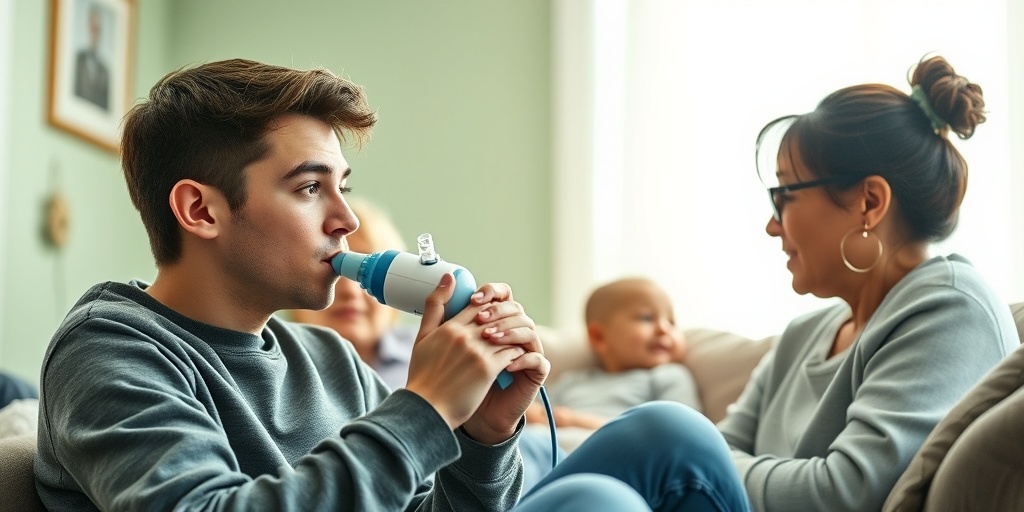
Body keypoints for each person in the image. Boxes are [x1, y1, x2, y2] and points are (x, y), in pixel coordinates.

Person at [35, 58, 731, 512]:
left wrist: (485, 437)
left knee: (671, 434)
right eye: (310, 188)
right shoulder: (111, 349)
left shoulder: (325, 361)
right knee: (595, 504)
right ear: (201, 210)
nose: (345, 221)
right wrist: (425, 408)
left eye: (344, 187)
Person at [575, 54, 1016, 512]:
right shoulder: (801, 337)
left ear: (869, 202)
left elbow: (845, 493)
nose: (771, 225)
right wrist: (695, 461)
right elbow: (718, 448)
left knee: (660, 435)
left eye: (785, 194)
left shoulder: (950, 309)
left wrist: (684, 459)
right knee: (599, 494)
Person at [526, 277, 700, 450]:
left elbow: (679, 434)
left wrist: (574, 420)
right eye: (647, 318)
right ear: (599, 337)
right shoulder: (572, 380)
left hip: (615, 451)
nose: (664, 329)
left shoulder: (669, 375)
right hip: (549, 448)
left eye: (671, 322)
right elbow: (532, 413)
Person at [290, 197, 416, 391]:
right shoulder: (278, 377)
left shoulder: (437, 358)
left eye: (368, 272)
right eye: (333, 269)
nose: (350, 290)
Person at [73, 3, 111, 110]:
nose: (95, 34)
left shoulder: (105, 71)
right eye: (92, 28)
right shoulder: (77, 60)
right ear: (88, 28)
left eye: (97, 29)